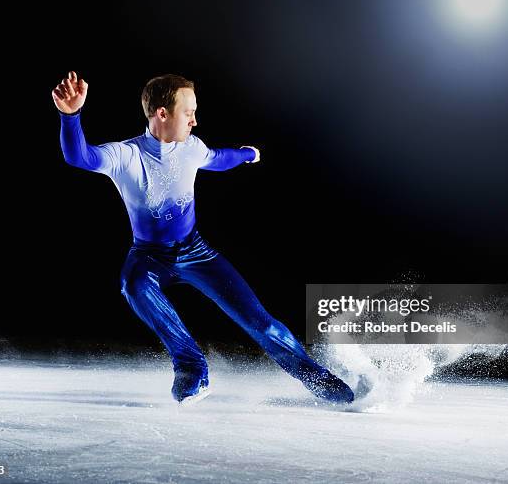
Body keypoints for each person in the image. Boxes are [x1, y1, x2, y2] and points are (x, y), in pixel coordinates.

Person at [52, 71, 354, 404]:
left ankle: (322, 381)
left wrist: (247, 154)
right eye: (188, 112)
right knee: (132, 284)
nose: (194, 120)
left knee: (263, 325)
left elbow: (218, 159)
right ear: (162, 114)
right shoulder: (126, 156)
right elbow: (80, 157)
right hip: (149, 257)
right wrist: (71, 116)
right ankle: (191, 367)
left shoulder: (191, 148)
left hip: (195, 252)